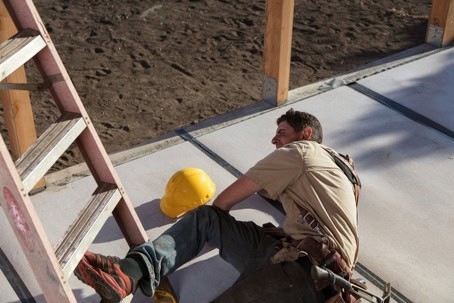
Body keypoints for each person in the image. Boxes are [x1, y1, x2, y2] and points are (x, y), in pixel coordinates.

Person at [74, 109, 359, 303]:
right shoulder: (343, 172)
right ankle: (128, 274)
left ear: (306, 134)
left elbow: (225, 201)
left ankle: (130, 272)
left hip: (303, 275)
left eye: (282, 132)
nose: (275, 140)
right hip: (299, 263)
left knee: (209, 217)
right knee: (209, 220)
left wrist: (192, 236)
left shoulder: (299, 151)